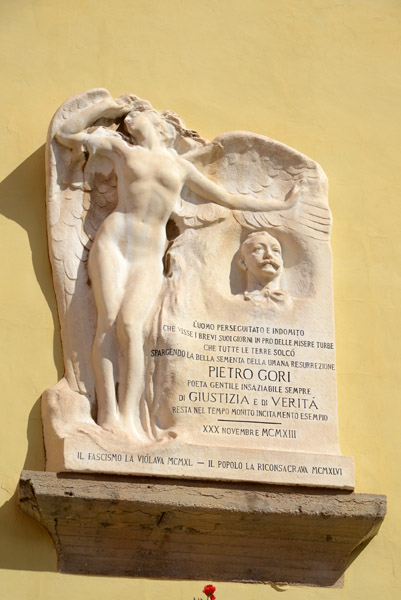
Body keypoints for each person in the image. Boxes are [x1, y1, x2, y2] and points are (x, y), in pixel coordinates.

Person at [56, 95, 299, 442]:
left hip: (148, 252)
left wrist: (283, 205)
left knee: (132, 327)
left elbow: (228, 198)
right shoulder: (123, 150)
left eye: (135, 116)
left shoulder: (181, 167)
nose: (128, 120)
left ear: (158, 126)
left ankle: (129, 418)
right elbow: (66, 134)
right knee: (107, 324)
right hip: (113, 240)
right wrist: (107, 107)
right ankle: (108, 414)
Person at [239, 230, 291, 306]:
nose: (269, 254)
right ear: (243, 263)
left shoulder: (301, 306)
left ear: (282, 263)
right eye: (258, 249)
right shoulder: (230, 304)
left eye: (275, 250)